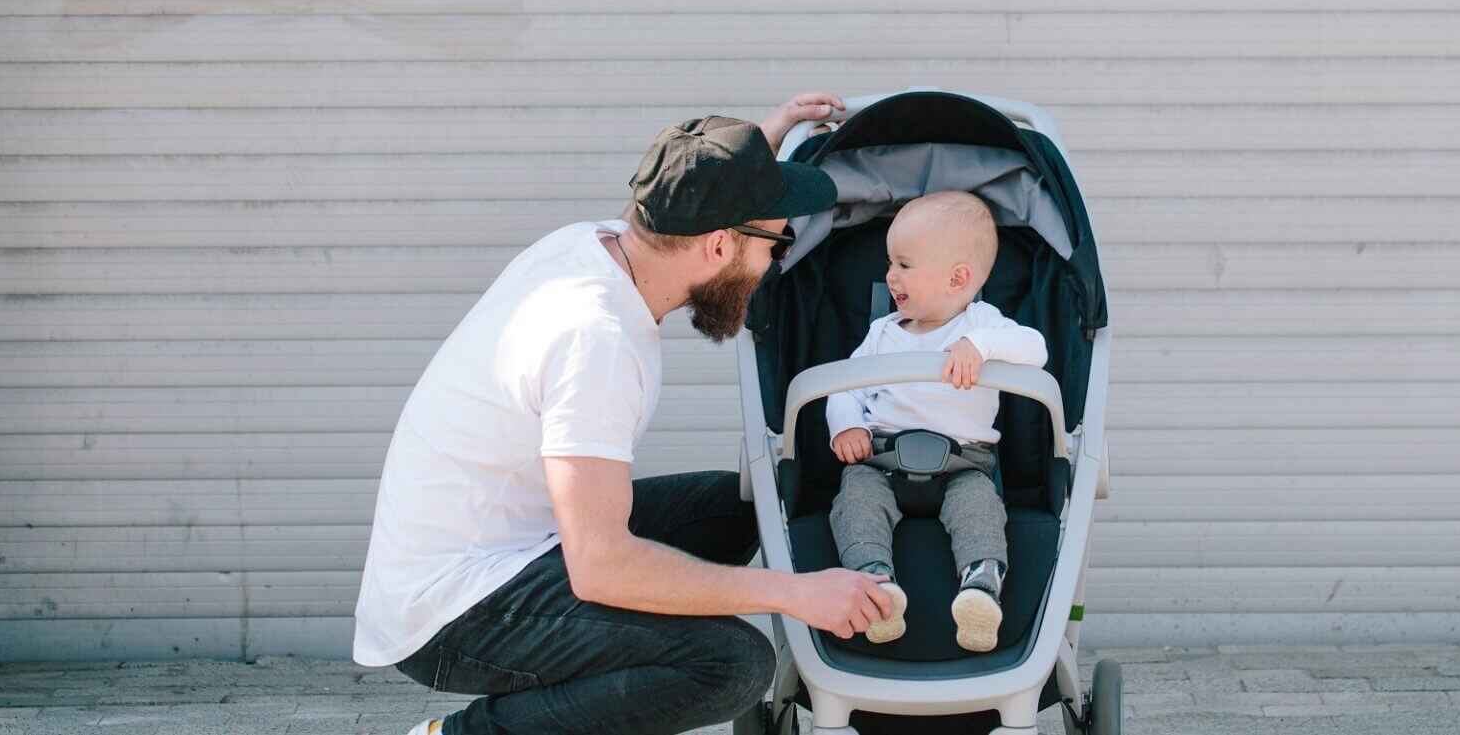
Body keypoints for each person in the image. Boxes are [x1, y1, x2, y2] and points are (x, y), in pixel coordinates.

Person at [352, 94, 897, 735]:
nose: (773, 265)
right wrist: (795, 593)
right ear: (720, 244)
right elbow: (602, 563)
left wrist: (757, 150)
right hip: (450, 614)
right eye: (776, 246)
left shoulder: (595, 243)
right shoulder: (597, 341)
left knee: (736, 510)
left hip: (511, 544)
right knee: (728, 665)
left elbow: (683, 196)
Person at [825, 191, 1049, 653]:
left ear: (958, 278)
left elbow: (1036, 350)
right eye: (890, 262)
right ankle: (875, 584)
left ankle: (980, 587)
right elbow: (843, 386)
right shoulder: (881, 332)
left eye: (904, 265)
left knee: (980, 510)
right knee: (857, 498)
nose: (890, 275)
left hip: (962, 464)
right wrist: (847, 426)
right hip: (881, 459)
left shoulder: (982, 323)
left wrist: (981, 346)